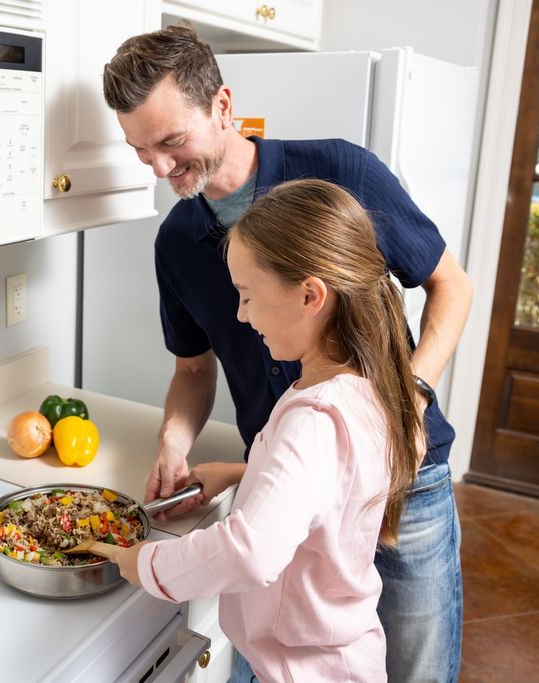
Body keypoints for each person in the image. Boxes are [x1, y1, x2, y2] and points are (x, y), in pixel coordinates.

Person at [103, 25, 471, 683]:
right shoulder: (177, 242)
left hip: (403, 490)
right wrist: (173, 443)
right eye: (139, 150)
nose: (159, 169)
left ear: (222, 108)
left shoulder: (340, 172)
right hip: (280, 491)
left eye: (171, 142)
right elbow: (193, 370)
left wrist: (405, 402)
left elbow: (453, 285)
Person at [112, 178, 424, 681]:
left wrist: (146, 563)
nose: (240, 315)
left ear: (309, 296)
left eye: (247, 295)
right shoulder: (367, 388)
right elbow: (335, 485)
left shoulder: (313, 416)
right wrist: (244, 471)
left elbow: (249, 550)